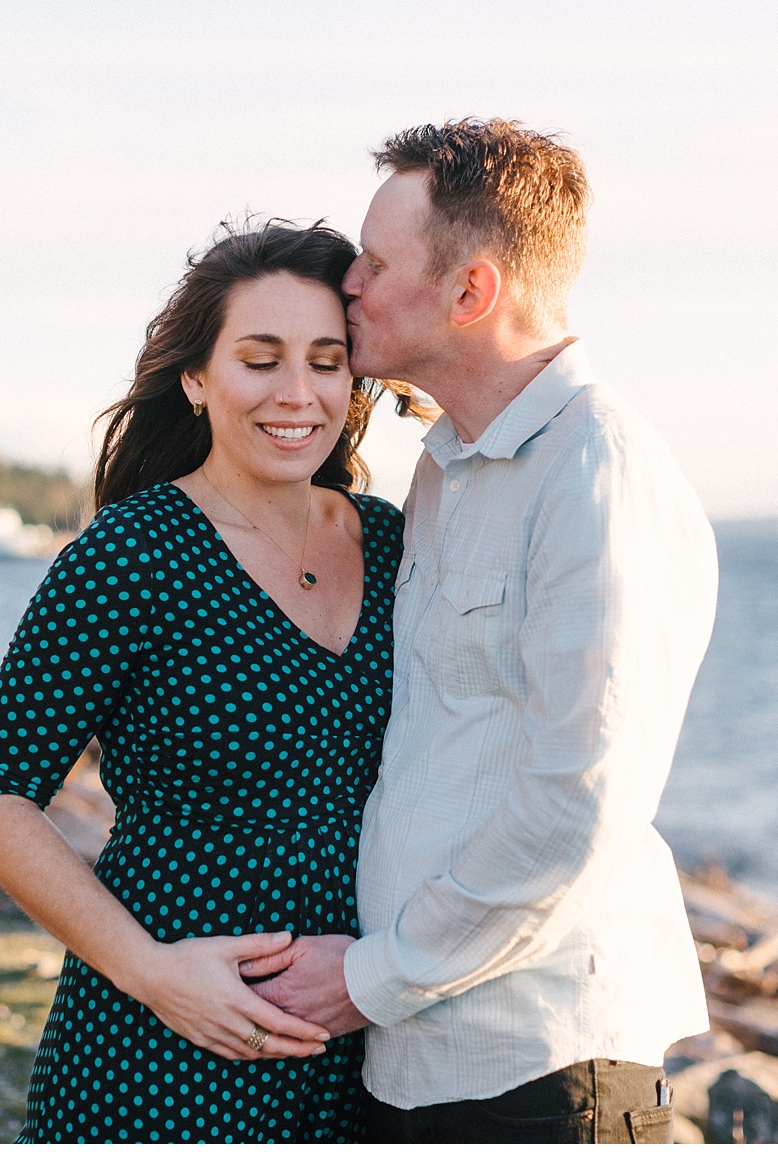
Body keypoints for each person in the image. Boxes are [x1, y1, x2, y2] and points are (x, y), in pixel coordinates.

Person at [242, 119, 719, 1142]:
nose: (349, 283)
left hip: (537, 1068)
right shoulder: (445, 465)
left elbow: (575, 802)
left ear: (472, 293)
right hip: (415, 1054)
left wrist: (367, 976)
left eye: (375, 262)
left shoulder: (596, 472)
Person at [0, 220, 406, 1142]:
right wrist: (150, 972)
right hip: (167, 1043)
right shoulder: (133, 553)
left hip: (364, 1038)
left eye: (326, 361)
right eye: (260, 359)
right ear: (197, 379)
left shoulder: (396, 541)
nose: (297, 394)